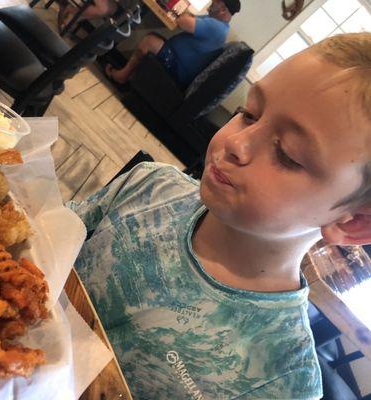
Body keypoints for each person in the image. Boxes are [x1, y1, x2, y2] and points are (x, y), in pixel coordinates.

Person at [68, 32, 371, 399]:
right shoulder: (147, 186)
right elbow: (39, 244)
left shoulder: (280, 379)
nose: (235, 143)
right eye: (249, 114)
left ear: (353, 222)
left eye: (289, 155)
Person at [105, 0, 240, 87]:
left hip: (178, 69)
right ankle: (132, 77)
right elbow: (189, 19)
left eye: (215, 1)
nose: (211, 3)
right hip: (177, 60)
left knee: (150, 41)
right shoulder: (216, 23)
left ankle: (122, 76)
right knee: (154, 37)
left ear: (223, 9)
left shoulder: (216, 27)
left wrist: (185, 15)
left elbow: (183, 22)